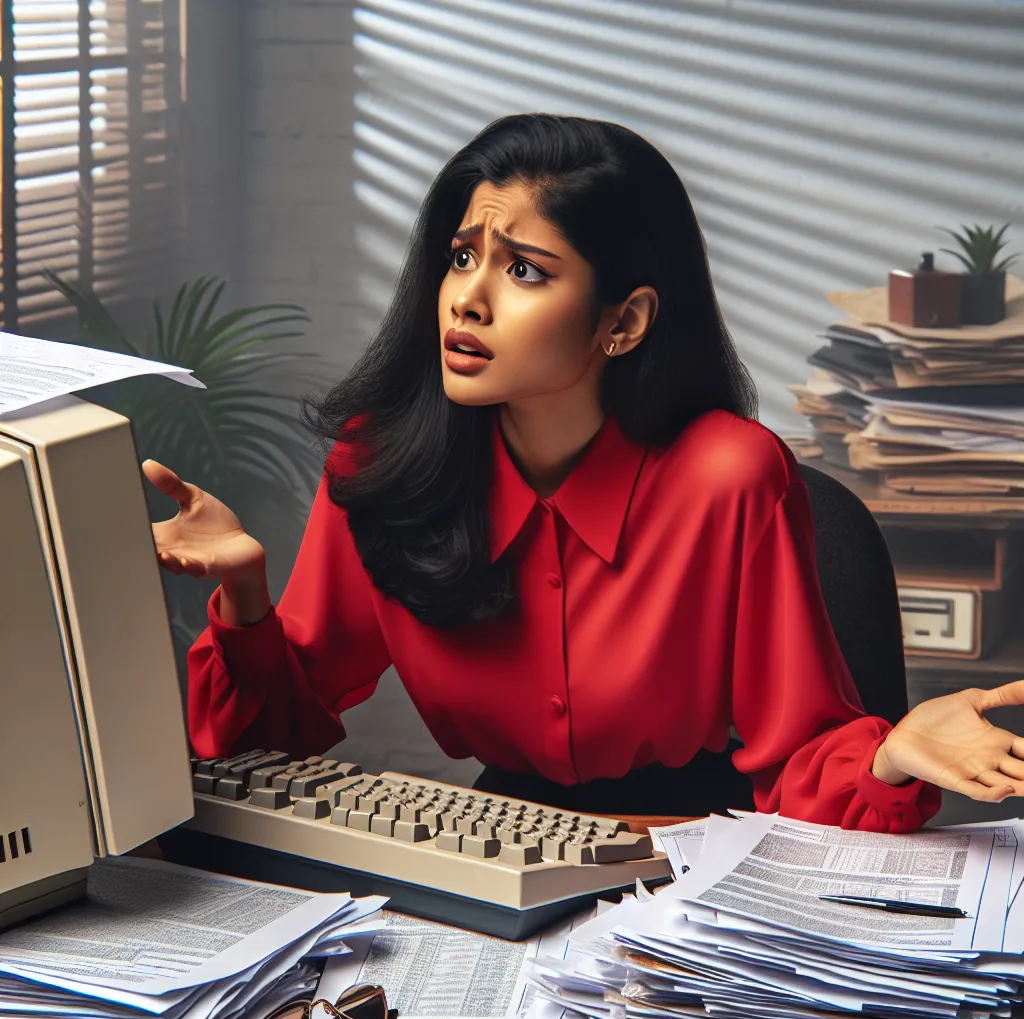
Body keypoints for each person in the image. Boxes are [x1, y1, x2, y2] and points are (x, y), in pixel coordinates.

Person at [145, 113, 1024, 832]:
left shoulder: (730, 477)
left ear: (626, 320)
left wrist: (894, 751)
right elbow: (265, 746)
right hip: (491, 844)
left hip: (697, 848)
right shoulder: (385, 462)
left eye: (523, 270)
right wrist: (247, 597)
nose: (467, 298)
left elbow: (801, 756)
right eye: (462, 257)